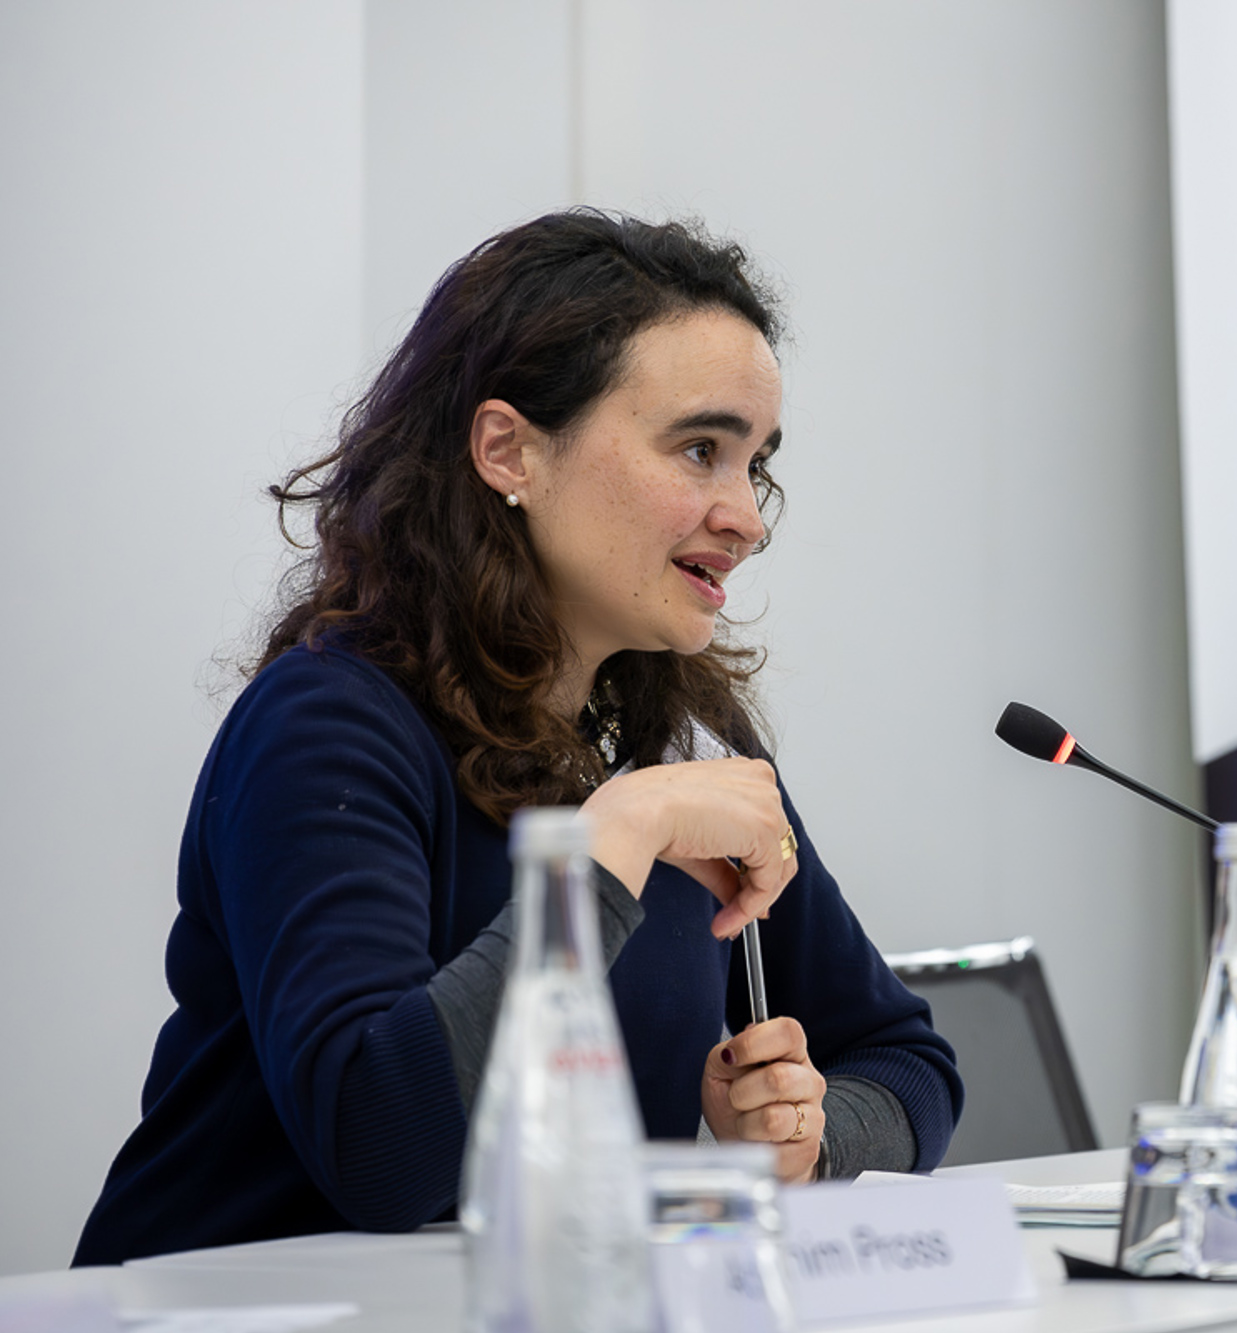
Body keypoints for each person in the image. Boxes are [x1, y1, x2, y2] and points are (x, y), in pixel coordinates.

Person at [73, 211, 962, 1266]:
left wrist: (804, 1143)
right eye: (699, 450)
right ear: (509, 451)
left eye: (752, 464)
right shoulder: (327, 721)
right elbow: (381, 1152)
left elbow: (905, 1060)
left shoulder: (679, 737)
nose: (746, 516)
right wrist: (611, 846)